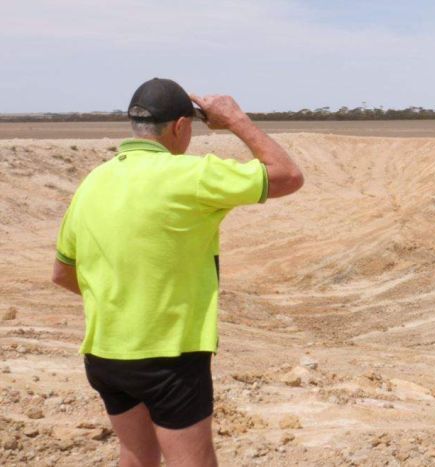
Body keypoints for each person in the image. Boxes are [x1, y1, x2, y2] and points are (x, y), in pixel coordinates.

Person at [51, 77, 304, 467]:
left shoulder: (92, 182)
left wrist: (125, 298)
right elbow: (287, 174)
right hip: (168, 356)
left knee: (136, 456)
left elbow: (63, 272)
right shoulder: (190, 175)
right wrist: (235, 119)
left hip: (104, 353)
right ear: (180, 127)